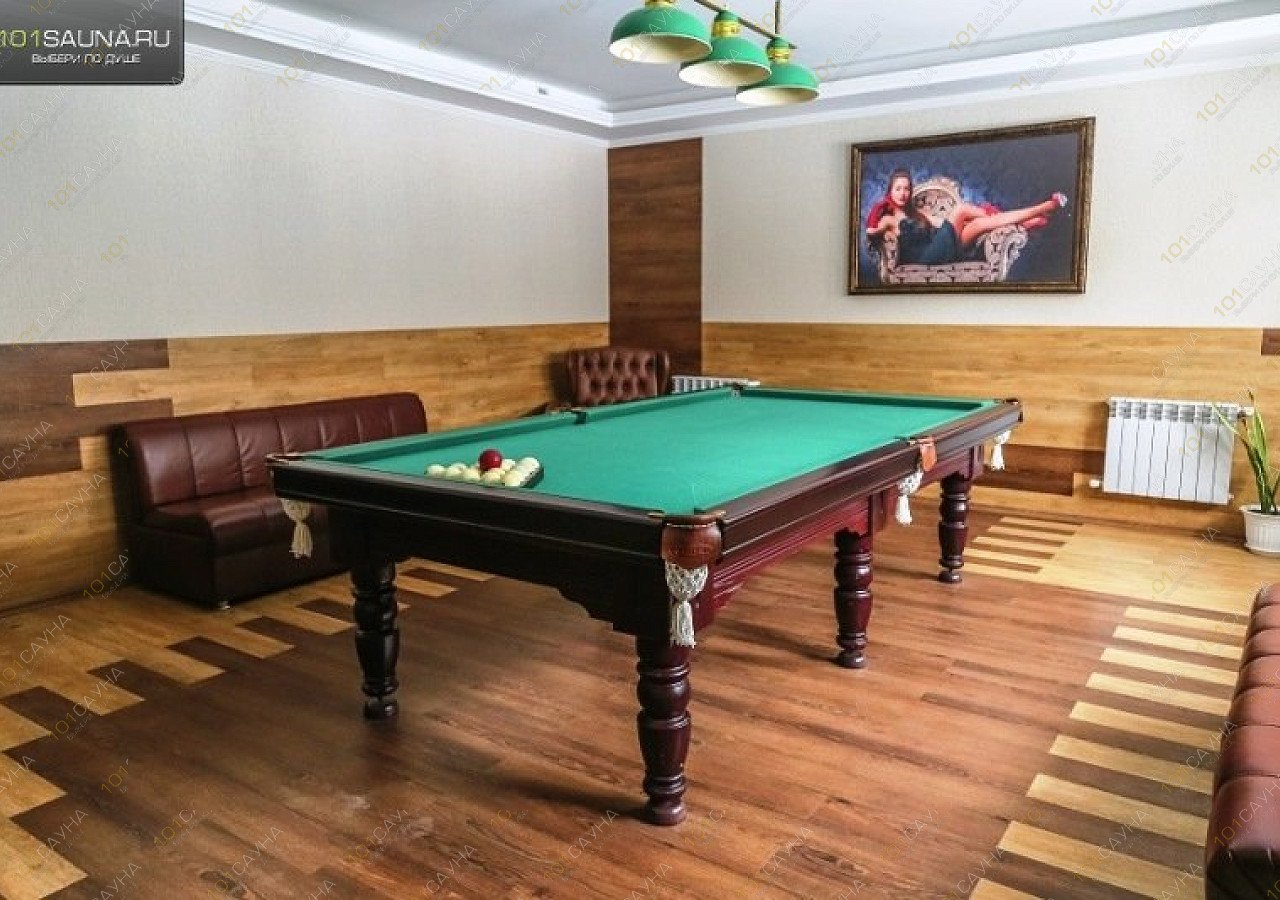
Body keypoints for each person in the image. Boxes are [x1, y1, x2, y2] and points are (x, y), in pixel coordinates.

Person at [865, 168, 1067, 266]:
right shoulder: (888, 219)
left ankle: (1027, 220)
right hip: (925, 258)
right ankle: (1044, 207)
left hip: (941, 248)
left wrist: (965, 222)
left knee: (978, 223)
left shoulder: (917, 213)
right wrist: (879, 207)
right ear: (890, 191)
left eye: (906, 189)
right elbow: (871, 232)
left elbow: (940, 223)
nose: (903, 193)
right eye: (898, 189)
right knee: (961, 210)